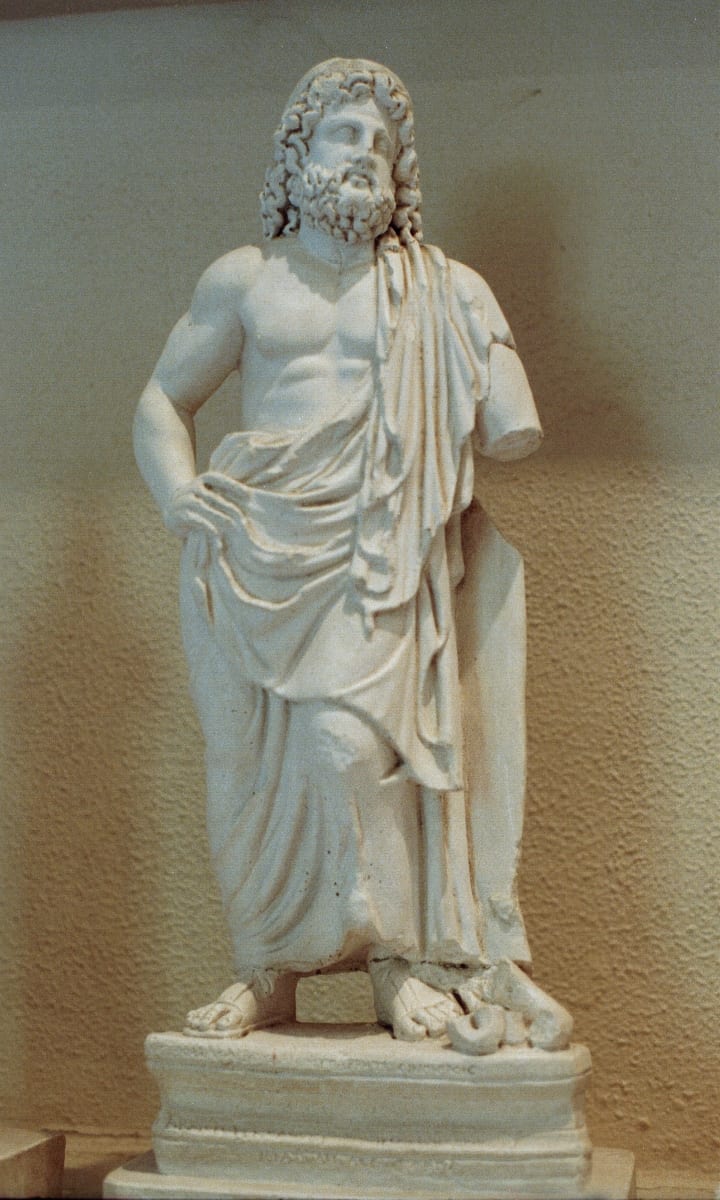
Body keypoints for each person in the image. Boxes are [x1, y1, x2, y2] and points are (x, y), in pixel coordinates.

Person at [134, 58, 567, 1049]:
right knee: (245, 770)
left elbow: (511, 426)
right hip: (249, 558)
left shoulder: (440, 289)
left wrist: (481, 337)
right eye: (343, 133)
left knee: (359, 754)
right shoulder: (244, 280)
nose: (363, 152)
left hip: (378, 557)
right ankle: (266, 971)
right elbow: (163, 400)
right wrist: (178, 494)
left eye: (380, 141)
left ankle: (395, 966)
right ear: (298, 155)